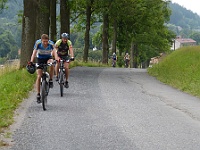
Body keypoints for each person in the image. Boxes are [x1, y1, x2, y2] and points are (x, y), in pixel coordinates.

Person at [29, 34, 55, 103]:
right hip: (40, 58)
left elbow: (55, 52)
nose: (45, 43)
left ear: (48, 40)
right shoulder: (38, 43)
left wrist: (57, 59)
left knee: (52, 64)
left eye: (46, 41)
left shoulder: (51, 43)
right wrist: (31, 62)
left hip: (48, 58)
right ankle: (38, 94)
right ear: (41, 40)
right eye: (44, 41)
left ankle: (51, 80)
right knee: (39, 76)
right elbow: (34, 53)